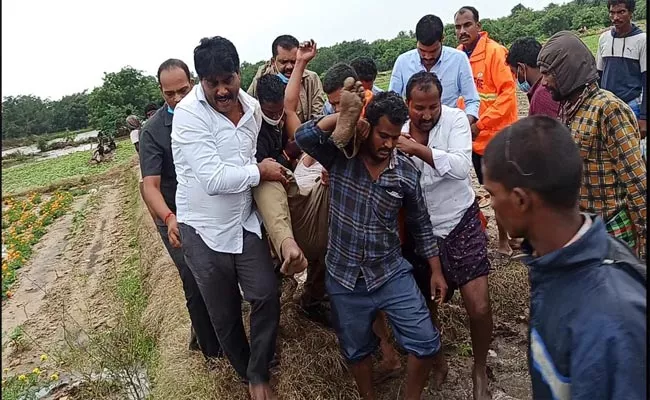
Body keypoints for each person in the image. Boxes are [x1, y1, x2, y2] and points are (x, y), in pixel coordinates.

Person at [482, 115, 646, 400]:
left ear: (521, 200)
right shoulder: (555, 262)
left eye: (492, 194)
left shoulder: (612, 319)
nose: (491, 204)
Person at [296, 90, 445, 400]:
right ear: (368, 126)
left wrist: (435, 269)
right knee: (355, 349)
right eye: (382, 135)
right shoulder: (342, 156)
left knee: (426, 341)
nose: (388, 144)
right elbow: (303, 136)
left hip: (389, 271)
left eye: (394, 137)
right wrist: (343, 118)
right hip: (344, 275)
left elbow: (420, 223)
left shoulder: (405, 172)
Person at [171, 36, 285, 400]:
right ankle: (247, 371)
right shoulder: (189, 116)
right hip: (202, 230)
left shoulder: (251, 108)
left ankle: (257, 373)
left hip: (243, 221)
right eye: (212, 83)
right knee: (224, 314)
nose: (222, 90)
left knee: (266, 293)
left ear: (239, 73)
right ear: (200, 81)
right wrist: (260, 171)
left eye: (228, 80)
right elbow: (214, 178)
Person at [397, 71, 493, 400]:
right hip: (420, 230)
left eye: (432, 107)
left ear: (441, 102)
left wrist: (416, 149)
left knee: (478, 307)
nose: (426, 115)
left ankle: (479, 369)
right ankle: (438, 362)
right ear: (407, 103)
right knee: (426, 306)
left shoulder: (454, 121)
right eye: (418, 108)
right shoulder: (396, 129)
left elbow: (459, 167)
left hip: (460, 221)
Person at [139, 58, 222, 361]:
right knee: (192, 274)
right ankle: (213, 355)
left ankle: (202, 336)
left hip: (208, 205)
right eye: (169, 94)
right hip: (172, 213)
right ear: (161, 91)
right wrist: (169, 217)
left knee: (218, 273)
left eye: (183, 91)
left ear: (195, 82)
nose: (177, 99)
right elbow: (150, 185)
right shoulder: (153, 131)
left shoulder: (212, 112)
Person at [538, 31, 646, 260]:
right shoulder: (569, 107)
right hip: (586, 230)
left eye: (548, 73)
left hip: (614, 232)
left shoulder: (607, 109)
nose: (544, 82)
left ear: (567, 70)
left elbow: (636, 181)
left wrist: (644, 238)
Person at [251, 41, 331, 324]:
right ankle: (286, 256)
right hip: (262, 194)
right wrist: (278, 161)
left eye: (279, 112)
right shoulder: (250, 128)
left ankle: (312, 298)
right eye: (270, 112)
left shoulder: (285, 114)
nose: (276, 117)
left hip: (291, 183)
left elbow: (302, 135)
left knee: (323, 234)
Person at [455, 6, 519, 257]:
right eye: (458, 27)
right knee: (492, 190)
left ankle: (505, 239)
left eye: (467, 25)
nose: (462, 31)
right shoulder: (458, 56)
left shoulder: (495, 53)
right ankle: (509, 235)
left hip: (498, 137)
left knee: (501, 190)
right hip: (473, 140)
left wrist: (479, 124)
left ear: (478, 26)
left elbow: (507, 97)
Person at [389, 14, 480, 124]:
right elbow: (392, 102)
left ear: (442, 39)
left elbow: (472, 101)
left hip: (447, 128)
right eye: (422, 51)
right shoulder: (402, 62)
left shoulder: (459, 59)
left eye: (433, 51)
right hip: (412, 130)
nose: (427, 56)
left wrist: (462, 125)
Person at [596, 0, 646, 143]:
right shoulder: (604, 38)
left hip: (631, 106)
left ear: (631, 13)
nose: (616, 17)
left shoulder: (642, 40)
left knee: (634, 152)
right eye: (612, 12)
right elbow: (598, 75)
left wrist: (644, 117)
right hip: (607, 106)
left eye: (621, 12)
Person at [248, 34, 325, 122]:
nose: (289, 67)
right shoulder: (262, 76)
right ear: (273, 62)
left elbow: (318, 117)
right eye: (283, 62)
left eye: (293, 62)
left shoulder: (311, 79)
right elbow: (250, 108)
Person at [506, 37, 560, 118]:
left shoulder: (541, 96)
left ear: (521, 68)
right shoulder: (552, 84)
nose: (516, 78)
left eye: (514, 72)